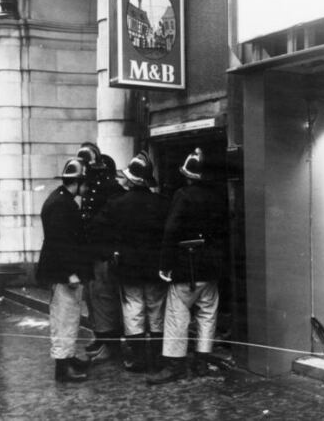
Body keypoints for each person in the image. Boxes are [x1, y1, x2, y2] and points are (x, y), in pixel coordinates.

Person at [147, 148, 228, 385]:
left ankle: (175, 364)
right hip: (211, 267)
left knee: (177, 315)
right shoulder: (217, 195)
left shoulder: (182, 195)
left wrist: (165, 264)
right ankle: (202, 360)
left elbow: (171, 230)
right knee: (207, 314)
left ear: (187, 175)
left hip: (186, 265)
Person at [92, 152, 170, 373]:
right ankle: (156, 357)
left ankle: (137, 359)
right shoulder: (162, 203)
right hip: (155, 267)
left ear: (131, 179)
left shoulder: (117, 204)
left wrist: (112, 250)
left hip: (128, 267)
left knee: (133, 309)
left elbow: (97, 228)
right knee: (156, 310)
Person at [35, 158, 92, 382]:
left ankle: (67, 358)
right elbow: (60, 243)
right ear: (77, 182)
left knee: (68, 316)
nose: (86, 189)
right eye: (84, 183)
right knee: (64, 318)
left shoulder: (60, 199)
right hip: (64, 273)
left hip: (62, 272)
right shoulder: (62, 204)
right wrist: (70, 272)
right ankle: (62, 368)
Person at [78, 143, 125, 362]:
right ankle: (101, 337)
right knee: (93, 297)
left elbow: (111, 221)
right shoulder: (92, 188)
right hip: (92, 251)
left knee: (105, 298)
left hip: (104, 252)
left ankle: (110, 344)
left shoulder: (112, 191)